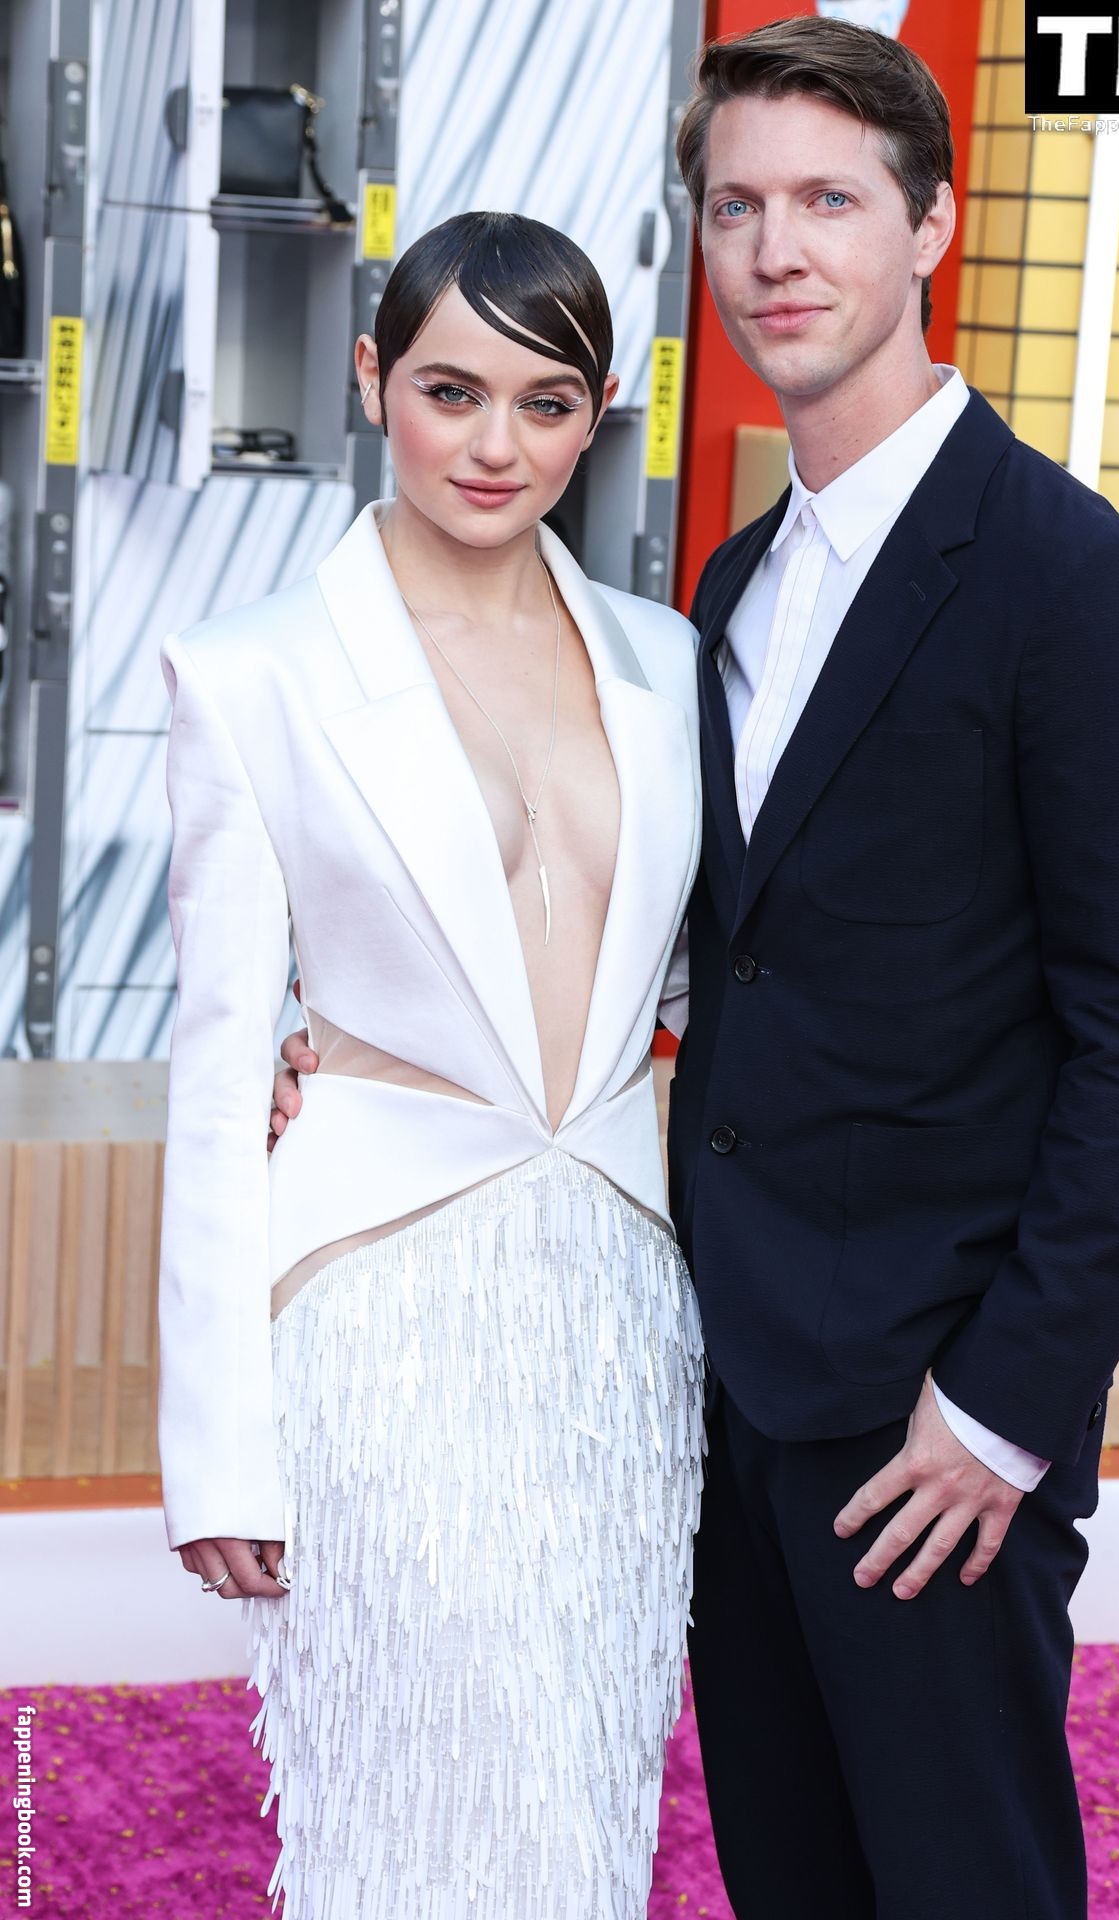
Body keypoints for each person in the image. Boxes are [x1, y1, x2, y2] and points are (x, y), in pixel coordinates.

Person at [271, 20, 1119, 1918]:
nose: (778, 250)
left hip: (932, 1424)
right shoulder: (727, 587)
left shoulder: (1076, 586)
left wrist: (1004, 1411)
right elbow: (716, 962)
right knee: (791, 1879)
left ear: (930, 226)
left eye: (828, 202)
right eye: (736, 208)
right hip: (721, 1374)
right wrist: (360, 1052)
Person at [155, 209, 705, 1918]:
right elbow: (214, 1071)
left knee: (581, 1798)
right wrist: (215, 1449)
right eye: (451, 391)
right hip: (378, 1315)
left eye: (546, 403)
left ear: (598, 413)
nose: (494, 446)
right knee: (420, 1791)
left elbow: (707, 976)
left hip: (621, 1317)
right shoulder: (251, 672)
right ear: (371, 376)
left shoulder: (672, 662)